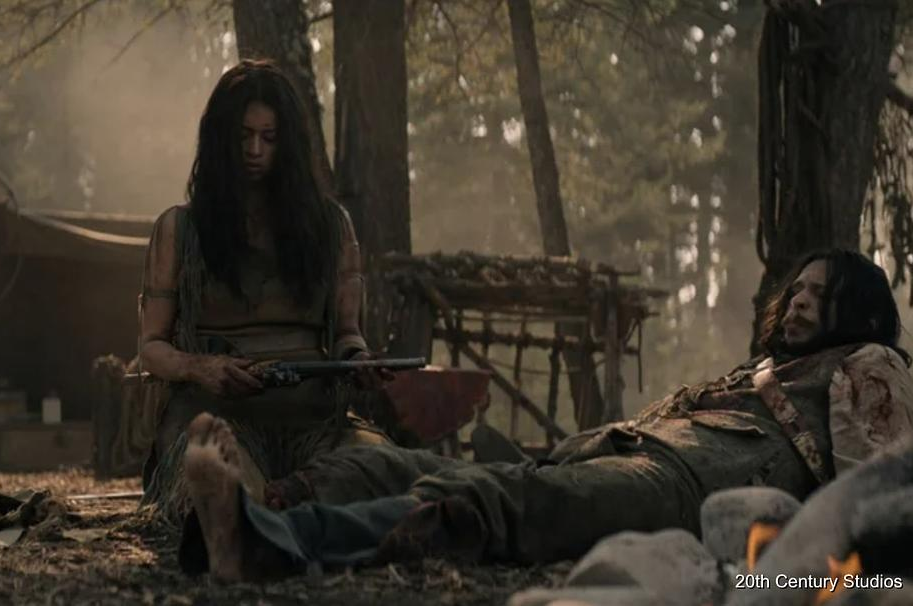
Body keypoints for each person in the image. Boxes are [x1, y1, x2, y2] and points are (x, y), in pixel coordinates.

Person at [176, 248, 913, 581]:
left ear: (857, 310)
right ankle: (256, 511)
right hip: (629, 452)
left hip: (686, 484)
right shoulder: (767, 368)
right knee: (393, 462)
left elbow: (871, 490)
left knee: (492, 497)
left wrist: (789, 574)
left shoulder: (871, 362)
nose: (801, 301)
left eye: (822, 293)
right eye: (799, 289)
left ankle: (274, 544)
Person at [137, 60, 391, 527]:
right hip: (215, 418)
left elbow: (347, 333)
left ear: (288, 144)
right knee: (227, 492)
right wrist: (201, 367)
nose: (255, 150)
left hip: (315, 422)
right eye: (243, 136)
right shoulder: (180, 229)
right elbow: (151, 348)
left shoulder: (332, 227)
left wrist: (358, 360)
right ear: (220, 141)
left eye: (269, 138)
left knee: (381, 472)